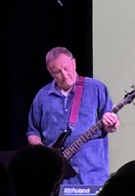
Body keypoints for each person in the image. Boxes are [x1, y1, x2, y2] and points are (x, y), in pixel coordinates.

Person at [26, 47, 119, 186]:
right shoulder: (42, 96)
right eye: (57, 72)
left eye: (67, 68)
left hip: (91, 176)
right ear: (50, 72)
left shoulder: (96, 88)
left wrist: (112, 124)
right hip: (56, 180)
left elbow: (111, 126)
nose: (64, 75)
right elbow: (33, 132)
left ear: (74, 63)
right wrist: (43, 158)